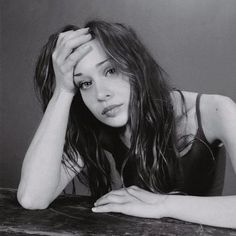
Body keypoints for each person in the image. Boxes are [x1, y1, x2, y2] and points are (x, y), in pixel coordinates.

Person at [17, 20, 236, 228]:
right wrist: (63, 91)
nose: (101, 94)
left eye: (110, 70)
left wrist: (163, 204)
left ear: (136, 66)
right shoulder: (98, 126)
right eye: (84, 83)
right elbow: (32, 197)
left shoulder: (215, 109)